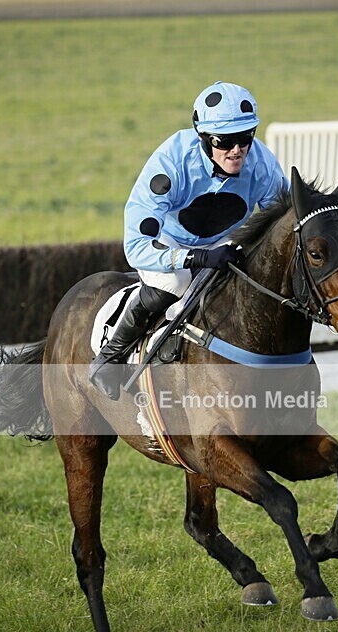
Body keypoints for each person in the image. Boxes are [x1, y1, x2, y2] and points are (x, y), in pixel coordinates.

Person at [89, 81, 289, 400]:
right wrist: (194, 259)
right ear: (204, 138)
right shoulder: (172, 162)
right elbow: (137, 245)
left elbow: (284, 218)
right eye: (225, 141)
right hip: (166, 241)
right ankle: (109, 358)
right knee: (175, 283)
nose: (236, 150)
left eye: (245, 138)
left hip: (220, 240)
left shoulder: (261, 163)